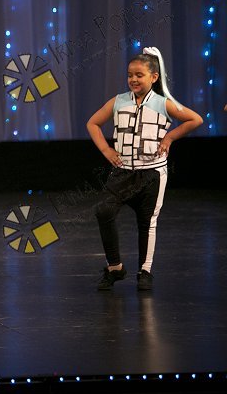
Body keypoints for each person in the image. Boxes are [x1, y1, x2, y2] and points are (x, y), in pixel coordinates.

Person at [86, 47, 203, 291]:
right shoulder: (118, 101)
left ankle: (145, 271)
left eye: (139, 75)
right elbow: (93, 123)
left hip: (152, 174)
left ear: (154, 77)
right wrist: (107, 150)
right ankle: (115, 267)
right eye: (130, 75)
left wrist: (169, 137)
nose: (133, 79)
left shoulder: (163, 103)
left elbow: (195, 119)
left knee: (147, 222)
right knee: (104, 211)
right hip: (122, 172)